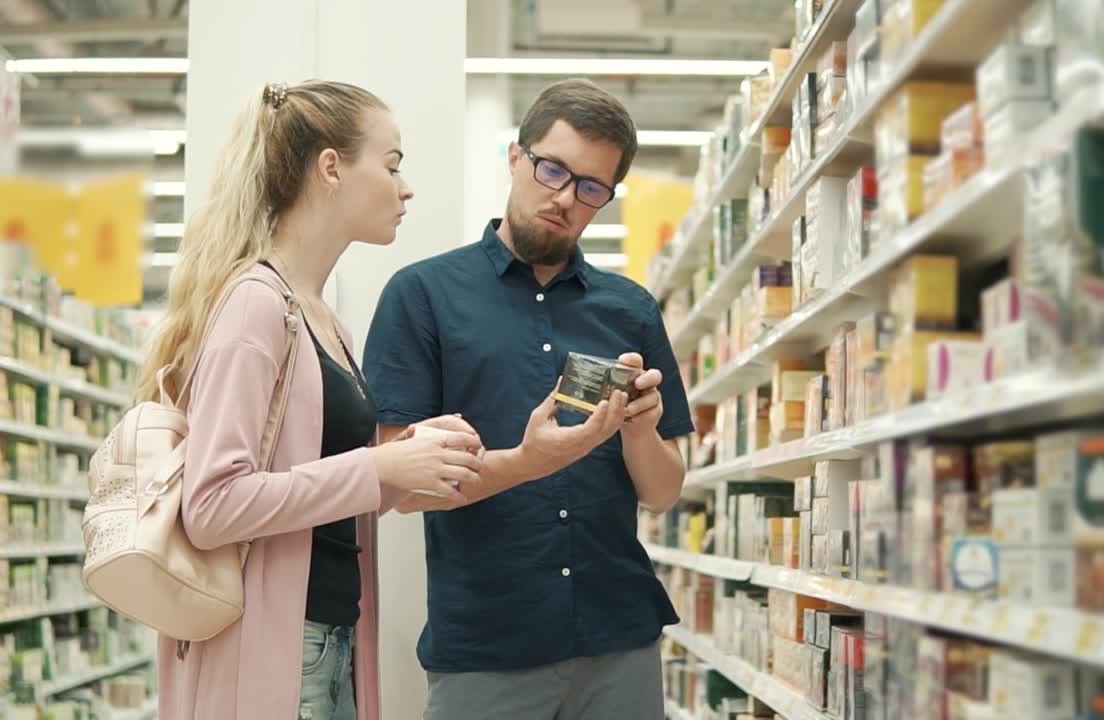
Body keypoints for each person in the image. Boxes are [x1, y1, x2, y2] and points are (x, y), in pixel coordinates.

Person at [137, 80, 485, 720]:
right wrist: (376, 466)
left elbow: (321, 491)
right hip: (277, 650)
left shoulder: (324, 321)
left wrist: (407, 461)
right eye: (392, 165)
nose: (405, 188)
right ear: (331, 167)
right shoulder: (255, 304)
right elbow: (211, 505)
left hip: (329, 640)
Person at [363, 78, 694, 720]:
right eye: (553, 170)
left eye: (591, 188)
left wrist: (638, 433)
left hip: (621, 640)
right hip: (486, 647)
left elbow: (663, 492)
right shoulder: (423, 295)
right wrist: (526, 461)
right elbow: (399, 490)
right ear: (516, 157)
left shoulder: (630, 309)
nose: (565, 198)